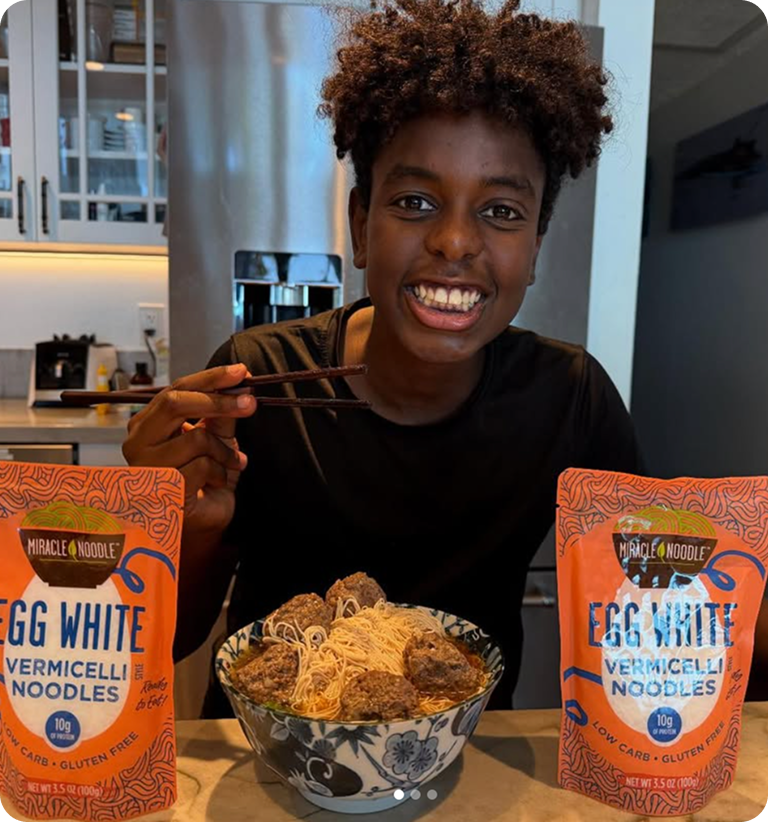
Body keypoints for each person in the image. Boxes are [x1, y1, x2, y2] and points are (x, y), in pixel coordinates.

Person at [120, 0, 766, 713]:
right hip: (272, 761)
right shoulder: (259, 380)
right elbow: (171, 642)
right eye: (417, 202)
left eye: (501, 211)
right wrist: (182, 525)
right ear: (362, 226)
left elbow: (658, 609)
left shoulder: (568, 396)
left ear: (535, 253)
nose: (455, 242)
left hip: (469, 771)